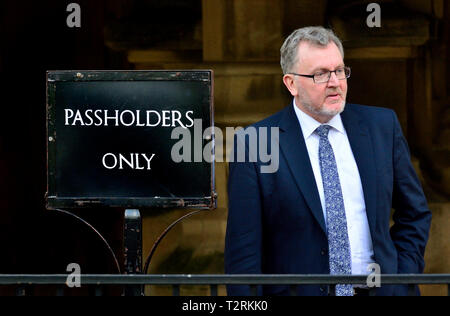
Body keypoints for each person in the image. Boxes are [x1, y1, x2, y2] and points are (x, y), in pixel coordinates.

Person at [225, 26, 432, 296]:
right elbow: (243, 256)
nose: (334, 82)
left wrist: (400, 280)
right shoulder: (255, 143)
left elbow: (415, 214)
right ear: (291, 83)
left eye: (339, 70)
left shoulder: (381, 126)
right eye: (320, 74)